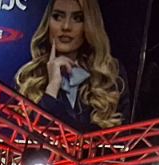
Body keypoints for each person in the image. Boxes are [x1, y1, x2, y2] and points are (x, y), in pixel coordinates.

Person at [13, 0, 125, 132]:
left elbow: (117, 139)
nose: (66, 26)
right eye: (58, 17)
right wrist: (52, 87)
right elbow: (27, 138)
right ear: (48, 23)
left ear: (89, 25)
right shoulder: (27, 77)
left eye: (77, 18)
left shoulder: (109, 76)